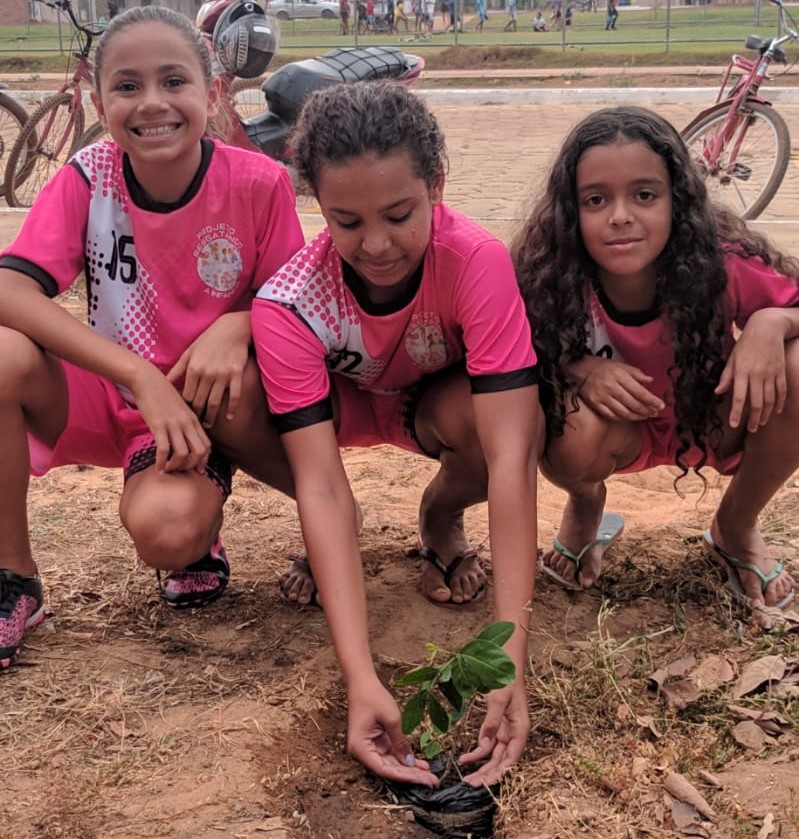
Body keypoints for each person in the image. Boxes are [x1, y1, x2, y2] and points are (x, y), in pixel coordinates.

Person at [252, 81, 541, 788]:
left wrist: (508, 659)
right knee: (237, 396)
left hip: (432, 406)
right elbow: (319, 483)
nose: (376, 244)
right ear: (317, 204)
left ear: (436, 184)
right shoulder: (288, 303)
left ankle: (440, 516)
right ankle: (332, 548)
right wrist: (360, 677)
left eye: (400, 214)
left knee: (509, 419)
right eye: (346, 221)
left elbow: (511, 456)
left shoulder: (475, 260)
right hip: (341, 413)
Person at [0, 5, 304, 670]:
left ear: (213, 93)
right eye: (128, 86)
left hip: (205, 405)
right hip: (112, 395)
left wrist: (238, 321)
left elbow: (292, 302)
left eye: (173, 81)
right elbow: (9, 289)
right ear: (99, 101)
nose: (152, 104)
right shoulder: (89, 176)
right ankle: (14, 577)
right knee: (2, 356)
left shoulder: (259, 183)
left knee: (168, 533)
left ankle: (208, 512)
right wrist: (138, 375)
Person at [512, 105, 799, 615]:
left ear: (677, 200)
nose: (621, 215)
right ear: (570, 211)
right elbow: (508, 351)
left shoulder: (722, 262)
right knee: (547, 408)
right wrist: (579, 370)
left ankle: (735, 524)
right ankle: (585, 505)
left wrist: (772, 323)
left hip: (712, 419)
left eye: (644, 195)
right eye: (596, 199)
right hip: (611, 431)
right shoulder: (547, 275)